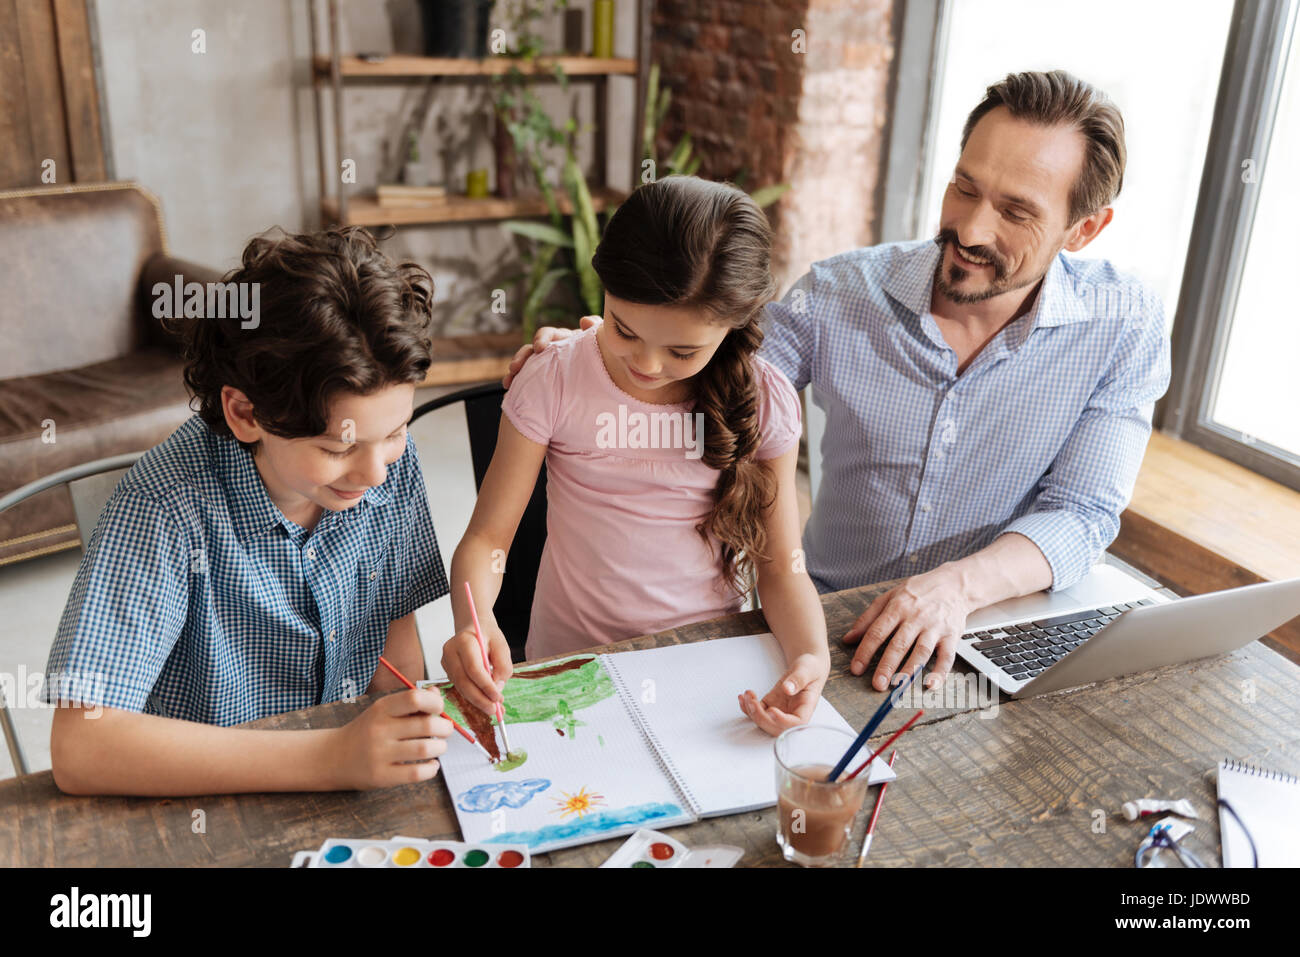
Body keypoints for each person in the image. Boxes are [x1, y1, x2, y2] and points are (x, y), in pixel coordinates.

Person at [503, 70, 1171, 694]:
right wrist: (603, 351)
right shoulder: (839, 294)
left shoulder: (1125, 326)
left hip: (998, 619)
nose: (969, 228)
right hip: (835, 620)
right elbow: (714, 370)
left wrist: (954, 590)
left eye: (1015, 211)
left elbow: (1083, 514)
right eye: (964, 187)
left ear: (1084, 229)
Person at [45, 227, 454, 795]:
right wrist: (331, 757)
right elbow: (81, 747)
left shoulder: (383, 461)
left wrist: (414, 719)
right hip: (208, 802)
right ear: (243, 413)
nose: (375, 473)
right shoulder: (165, 508)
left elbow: (394, 649)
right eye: (336, 449)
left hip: (342, 796)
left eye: (396, 432)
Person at [441, 176, 830, 736]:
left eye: (682, 350)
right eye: (624, 330)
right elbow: (488, 541)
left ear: (733, 325)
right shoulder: (555, 378)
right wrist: (472, 624)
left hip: (707, 664)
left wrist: (810, 658)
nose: (646, 365)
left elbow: (781, 566)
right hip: (571, 665)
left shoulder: (765, 400)